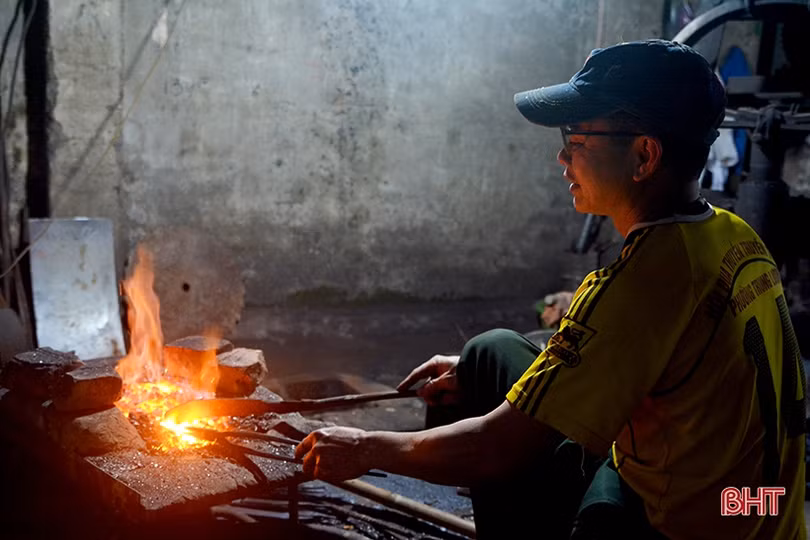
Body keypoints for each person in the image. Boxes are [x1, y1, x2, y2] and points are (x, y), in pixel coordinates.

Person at [295, 39, 807, 539]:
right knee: (488, 354)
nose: (562, 157)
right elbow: (625, 356)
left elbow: (495, 447)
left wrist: (365, 446)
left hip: (683, 524)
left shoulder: (638, 284)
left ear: (644, 155)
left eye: (577, 138)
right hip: (757, 508)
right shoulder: (734, 236)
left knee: (532, 465)